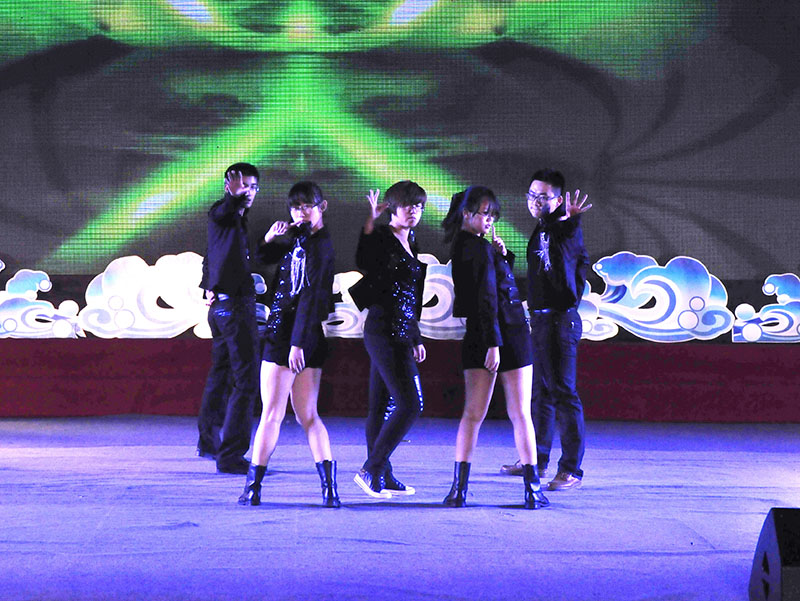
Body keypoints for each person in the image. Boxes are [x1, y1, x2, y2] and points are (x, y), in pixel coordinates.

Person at [440, 187, 548, 509]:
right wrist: (494, 343)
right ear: (466, 214)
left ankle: (459, 491)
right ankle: (532, 491)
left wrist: (501, 256)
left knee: (473, 415)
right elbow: (488, 298)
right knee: (519, 414)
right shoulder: (477, 248)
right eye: (484, 214)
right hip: (505, 335)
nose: (489, 220)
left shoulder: (465, 246)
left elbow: (490, 291)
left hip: (483, 334)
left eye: (492, 215)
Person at [238, 181, 340, 508]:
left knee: (273, 415)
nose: (301, 213)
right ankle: (329, 491)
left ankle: (253, 488)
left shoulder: (320, 247)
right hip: (301, 336)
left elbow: (310, 298)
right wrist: (269, 237)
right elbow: (262, 257)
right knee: (306, 416)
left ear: (322, 207)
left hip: (290, 336)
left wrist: (297, 344)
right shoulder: (299, 238)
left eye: (307, 206)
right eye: (296, 207)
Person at [501, 169, 591, 491]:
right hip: (540, 321)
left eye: (543, 197)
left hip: (560, 321)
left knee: (564, 394)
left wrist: (571, 221)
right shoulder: (541, 228)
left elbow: (568, 246)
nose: (535, 202)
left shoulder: (563, 228)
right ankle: (535, 460)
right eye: (531, 195)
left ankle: (571, 470)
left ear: (558, 199)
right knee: (541, 394)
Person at [348, 181, 427, 498]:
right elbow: (364, 260)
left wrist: (416, 336)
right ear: (393, 208)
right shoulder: (382, 236)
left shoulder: (412, 240)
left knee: (380, 407)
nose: (414, 211)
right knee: (411, 404)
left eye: (419, 206)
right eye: (408, 205)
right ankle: (371, 468)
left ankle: (382, 474)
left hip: (402, 331)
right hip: (383, 331)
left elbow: (409, 295)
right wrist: (371, 220)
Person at [197, 163, 261, 474]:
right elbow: (223, 210)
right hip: (234, 310)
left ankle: (209, 443)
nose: (248, 191)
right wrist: (233, 197)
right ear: (228, 186)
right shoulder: (223, 212)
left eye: (253, 187)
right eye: (241, 185)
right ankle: (231, 455)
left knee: (221, 376)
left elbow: (212, 254)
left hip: (222, 309)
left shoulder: (234, 221)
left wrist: (208, 285)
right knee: (246, 381)